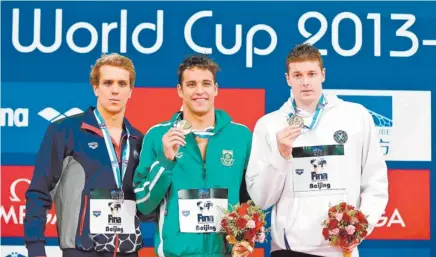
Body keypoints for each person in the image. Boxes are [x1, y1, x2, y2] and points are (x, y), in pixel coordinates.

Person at [245, 43, 389, 257]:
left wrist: (358, 229)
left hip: (342, 248)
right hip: (289, 248)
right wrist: (280, 156)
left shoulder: (356, 117)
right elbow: (261, 199)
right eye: (298, 75)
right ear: (288, 79)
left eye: (311, 73)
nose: (305, 82)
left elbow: (375, 182)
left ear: (323, 75)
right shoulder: (269, 124)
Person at [24, 53, 145, 257]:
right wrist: (35, 247)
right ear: (95, 87)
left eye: (122, 84)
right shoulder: (65, 131)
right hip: (82, 251)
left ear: (131, 91)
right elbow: (39, 192)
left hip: (127, 251)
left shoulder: (138, 140)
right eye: (108, 83)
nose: (115, 90)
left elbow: (145, 203)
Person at [133, 54, 253, 257]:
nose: (199, 91)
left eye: (206, 83)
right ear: (180, 90)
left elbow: (250, 200)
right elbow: (144, 203)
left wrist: (243, 240)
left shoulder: (241, 136)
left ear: (216, 89)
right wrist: (165, 160)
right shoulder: (158, 136)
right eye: (191, 84)